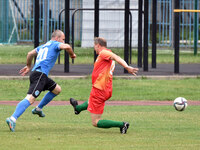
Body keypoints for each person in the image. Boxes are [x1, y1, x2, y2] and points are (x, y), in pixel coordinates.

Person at [6, 30, 76, 132]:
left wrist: (29, 66)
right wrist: (72, 55)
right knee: (30, 98)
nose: (63, 42)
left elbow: (30, 53)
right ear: (57, 38)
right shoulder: (55, 44)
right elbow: (68, 47)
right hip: (39, 76)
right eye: (63, 39)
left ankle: (38, 109)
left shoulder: (43, 46)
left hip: (40, 75)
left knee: (57, 89)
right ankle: (12, 118)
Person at [70, 37, 138, 134]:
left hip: (100, 89)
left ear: (98, 45)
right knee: (91, 101)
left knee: (95, 122)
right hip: (105, 89)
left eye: (94, 46)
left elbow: (117, 57)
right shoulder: (105, 54)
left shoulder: (103, 53)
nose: (94, 48)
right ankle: (77, 109)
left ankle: (122, 124)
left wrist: (127, 67)